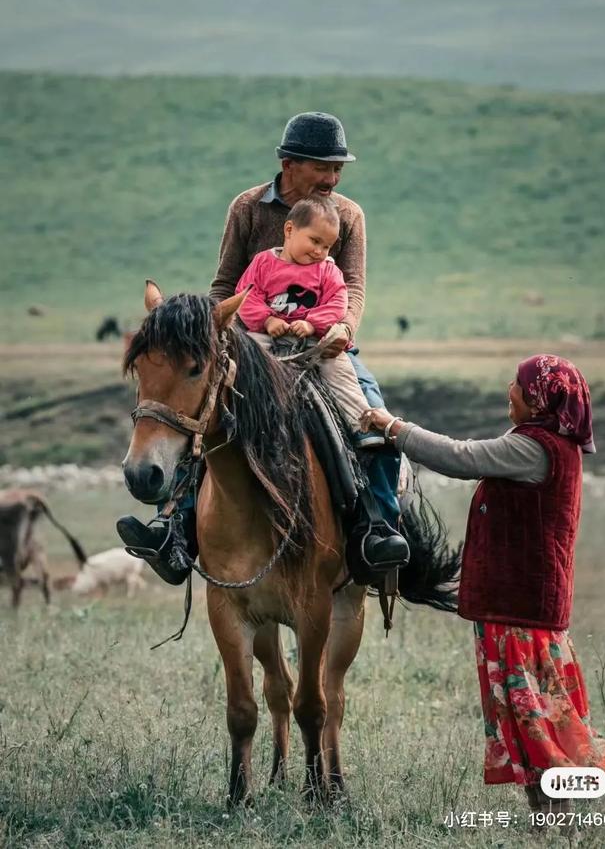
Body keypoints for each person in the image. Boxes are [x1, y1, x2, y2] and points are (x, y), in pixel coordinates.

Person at [118, 111, 409, 581]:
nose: (333, 178)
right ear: (290, 163)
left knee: (373, 416)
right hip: (248, 340)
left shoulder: (348, 215)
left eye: (339, 169)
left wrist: (343, 330)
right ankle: (173, 532)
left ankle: (377, 528)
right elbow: (223, 284)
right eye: (324, 167)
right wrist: (216, 335)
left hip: (322, 341)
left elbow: (352, 286)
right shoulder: (248, 207)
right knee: (206, 417)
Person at [361, 354, 605, 821]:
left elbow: (460, 458)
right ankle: (552, 817)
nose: (509, 390)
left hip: (519, 609)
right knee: (533, 720)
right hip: (519, 606)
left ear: (539, 398)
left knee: (536, 720)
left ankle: (561, 817)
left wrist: (395, 428)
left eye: (518, 385)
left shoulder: (535, 448)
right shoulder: (547, 443)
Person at [236, 196, 384, 446]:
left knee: (339, 370)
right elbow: (246, 295)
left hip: (314, 340)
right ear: (290, 229)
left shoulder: (328, 270)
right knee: (245, 361)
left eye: (326, 246)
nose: (319, 251)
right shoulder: (263, 263)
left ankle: (362, 424)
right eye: (315, 241)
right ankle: (240, 419)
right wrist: (267, 320)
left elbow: (338, 302)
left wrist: (312, 324)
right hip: (267, 335)